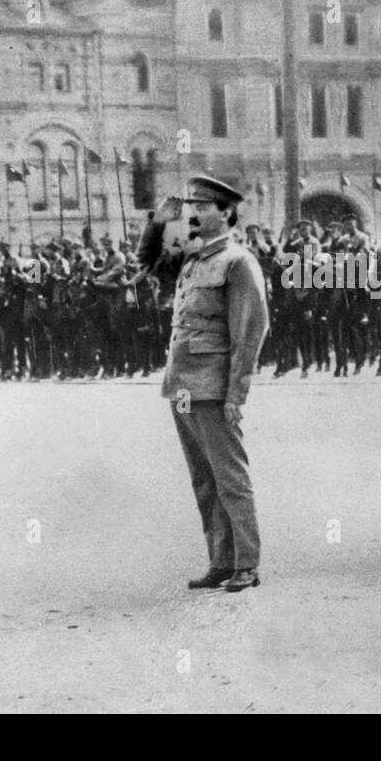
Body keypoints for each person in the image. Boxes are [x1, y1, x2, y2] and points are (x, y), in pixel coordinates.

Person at [138, 175, 270, 593]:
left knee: (229, 477)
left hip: (213, 386)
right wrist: (157, 223)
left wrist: (236, 394)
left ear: (226, 213)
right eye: (192, 205)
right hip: (181, 384)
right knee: (203, 479)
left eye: (204, 206)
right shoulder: (194, 258)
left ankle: (246, 564)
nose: (194, 212)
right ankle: (221, 560)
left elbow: (250, 331)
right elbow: (149, 264)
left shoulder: (237, 261)